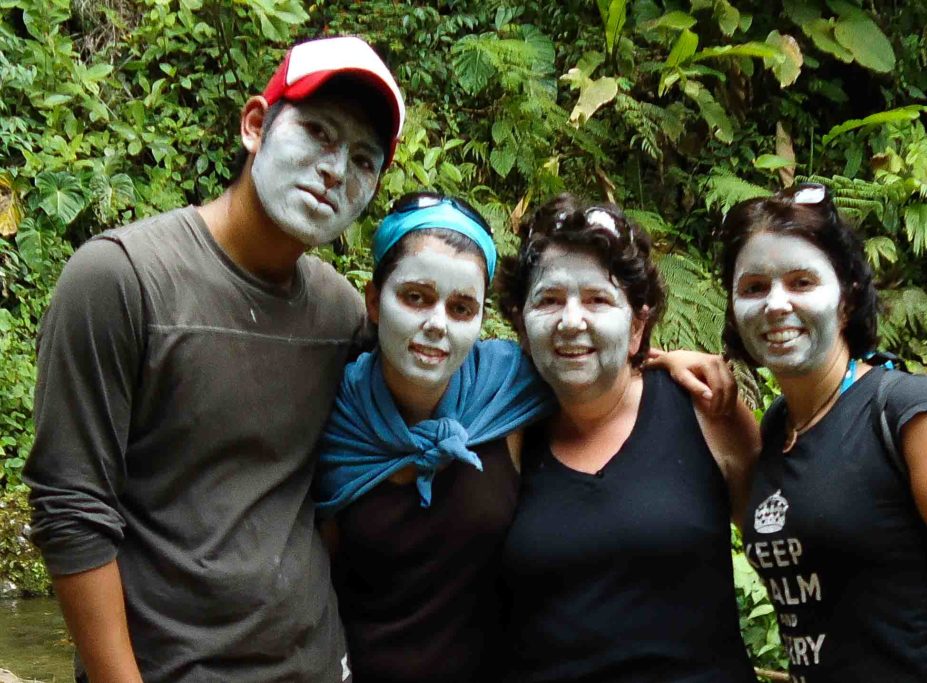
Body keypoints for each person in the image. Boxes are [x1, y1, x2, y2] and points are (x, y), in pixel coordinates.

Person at [23, 36, 405, 682]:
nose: (335, 169)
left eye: (363, 160)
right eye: (317, 132)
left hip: (315, 663)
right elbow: (71, 508)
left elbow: (415, 417)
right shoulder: (123, 279)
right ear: (255, 125)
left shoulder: (341, 314)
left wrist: (624, 383)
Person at [314, 192, 740, 683]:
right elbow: (315, 580)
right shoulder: (330, 415)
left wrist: (657, 358)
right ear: (374, 299)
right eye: (415, 297)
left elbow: (588, 357)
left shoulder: (503, 393)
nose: (436, 324)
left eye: (460, 307)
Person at [718, 183, 927, 682]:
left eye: (801, 282)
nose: (775, 304)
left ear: (846, 298)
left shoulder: (904, 412)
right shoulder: (778, 427)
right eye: (754, 287)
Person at [496, 193, 761, 683]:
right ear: (521, 322)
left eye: (599, 299)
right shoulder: (503, 428)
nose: (571, 320)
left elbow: (791, 551)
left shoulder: (705, 411)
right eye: (549, 300)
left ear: (637, 324)